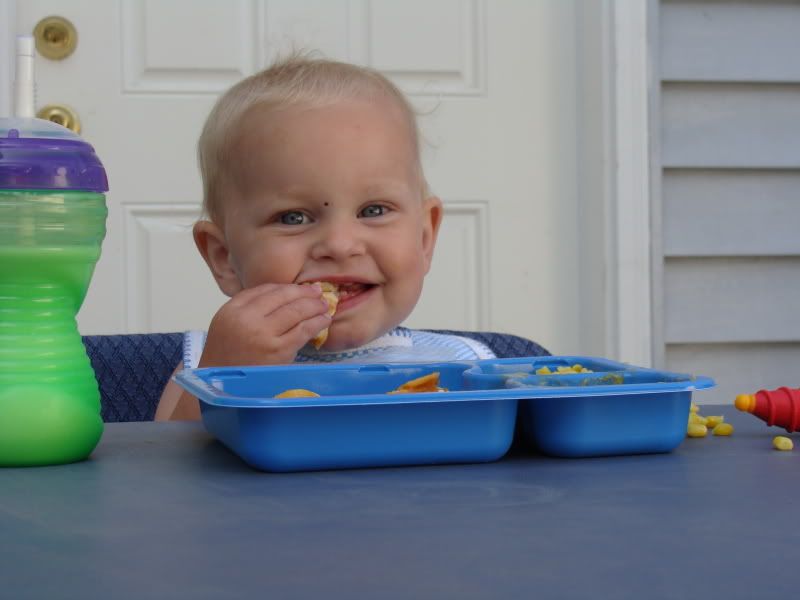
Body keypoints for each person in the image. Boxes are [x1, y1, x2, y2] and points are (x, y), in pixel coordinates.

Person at [155, 53, 499, 421]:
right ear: (223, 258)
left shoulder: (468, 369)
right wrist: (224, 377)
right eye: (293, 217)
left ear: (425, 238)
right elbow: (168, 474)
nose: (339, 244)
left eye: (374, 211)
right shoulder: (207, 364)